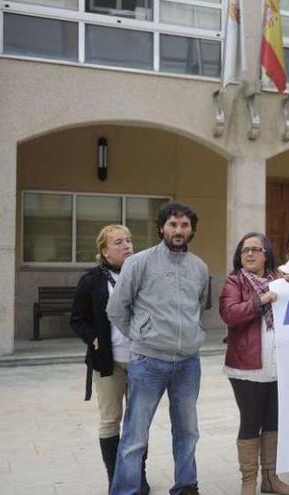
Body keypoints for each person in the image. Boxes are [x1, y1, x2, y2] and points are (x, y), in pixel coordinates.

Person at [107, 202, 209, 495]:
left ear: (191, 230)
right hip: (148, 362)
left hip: (188, 362)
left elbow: (198, 306)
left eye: (184, 225)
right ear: (162, 227)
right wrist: (142, 335)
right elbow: (116, 308)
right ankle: (126, 490)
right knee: (135, 434)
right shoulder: (139, 262)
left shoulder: (199, 267)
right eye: (173, 225)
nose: (178, 231)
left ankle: (186, 486)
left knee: (188, 431)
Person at [71, 225, 150, 494]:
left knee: (138, 421)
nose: (127, 245)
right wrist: (93, 337)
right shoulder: (91, 281)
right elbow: (78, 319)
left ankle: (138, 476)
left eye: (129, 240)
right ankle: (115, 478)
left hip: (141, 359)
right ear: (104, 251)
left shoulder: (142, 274)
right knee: (110, 419)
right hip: (109, 361)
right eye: (118, 242)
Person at [219, 232, 289, 495]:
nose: (250, 254)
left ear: (267, 254)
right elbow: (229, 314)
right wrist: (259, 301)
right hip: (247, 367)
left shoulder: (280, 280)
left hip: (279, 366)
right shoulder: (234, 281)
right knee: (251, 421)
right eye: (245, 250)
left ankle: (270, 478)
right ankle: (248, 483)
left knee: (274, 422)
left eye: (256, 249)